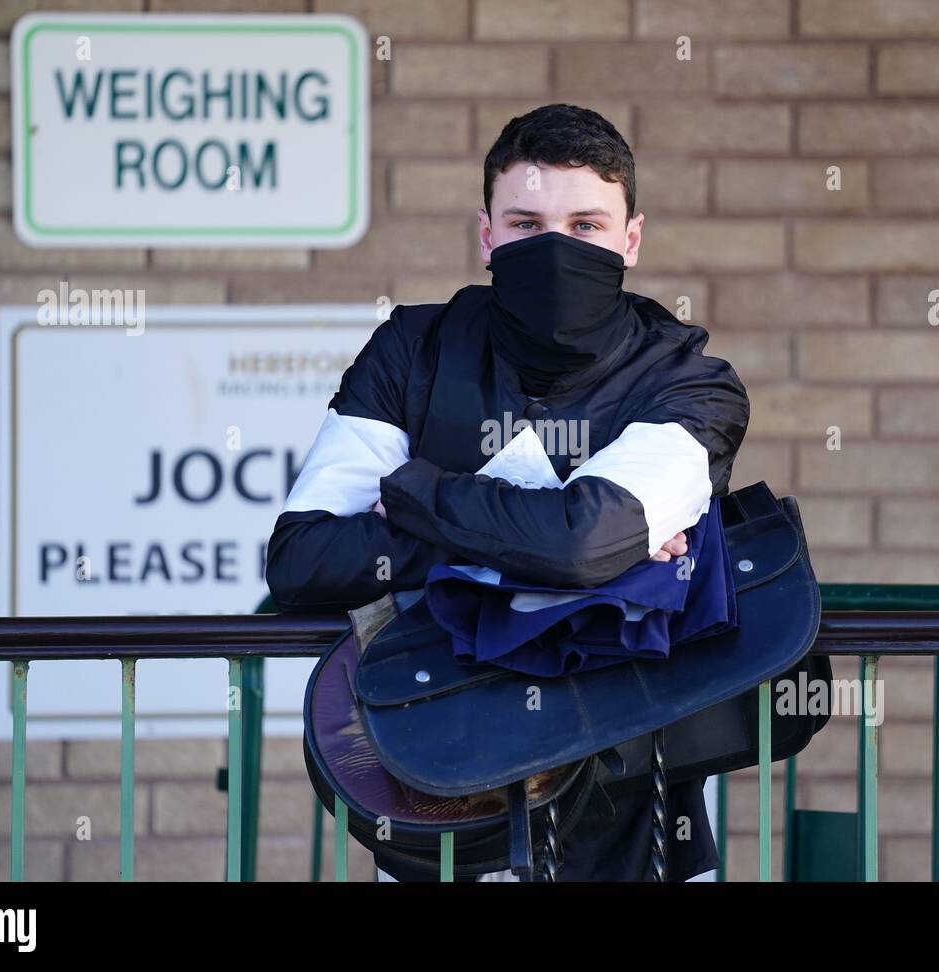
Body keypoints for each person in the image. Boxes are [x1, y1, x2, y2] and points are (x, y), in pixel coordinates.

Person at [267, 103, 750, 881]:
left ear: (630, 238)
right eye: (526, 224)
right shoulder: (411, 349)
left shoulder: (689, 381)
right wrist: (559, 546)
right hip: (442, 798)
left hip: (640, 802)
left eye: (586, 225)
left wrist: (423, 497)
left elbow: (583, 541)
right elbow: (304, 560)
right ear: (487, 235)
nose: (556, 248)